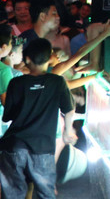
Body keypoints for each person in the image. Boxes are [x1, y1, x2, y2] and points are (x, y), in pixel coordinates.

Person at [0, 38, 76, 199]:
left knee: (13, 194)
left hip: (14, 147)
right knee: (46, 194)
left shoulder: (16, 83)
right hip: (42, 149)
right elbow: (69, 109)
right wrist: (68, 131)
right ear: (49, 59)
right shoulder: (57, 82)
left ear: (27, 59)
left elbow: (7, 116)